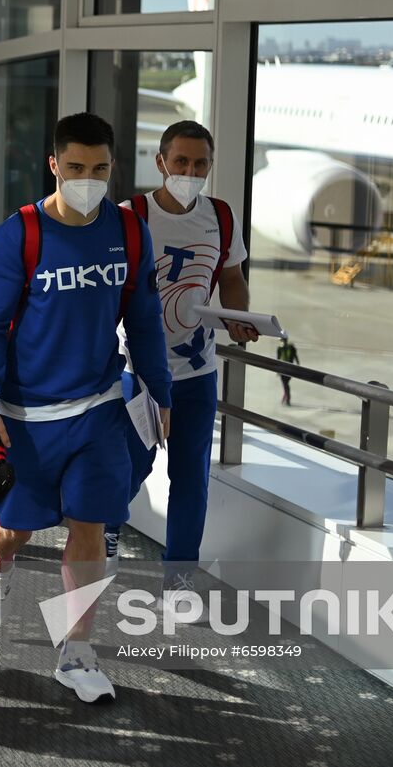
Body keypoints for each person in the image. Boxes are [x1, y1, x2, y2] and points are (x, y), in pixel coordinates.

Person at [0, 113, 171, 703]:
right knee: (15, 532)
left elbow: (145, 322)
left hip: (100, 409)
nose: (89, 179)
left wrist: (161, 394)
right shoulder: (20, 234)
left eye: (100, 168)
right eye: (76, 168)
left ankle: (76, 653)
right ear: (54, 165)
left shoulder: (130, 232)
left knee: (91, 524)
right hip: (27, 418)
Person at [106, 120, 254, 606]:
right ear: (161, 162)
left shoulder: (221, 216)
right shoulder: (132, 215)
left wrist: (237, 317)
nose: (190, 171)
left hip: (197, 374)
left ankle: (180, 578)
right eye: (182, 162)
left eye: (201, 163)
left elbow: (230, 278)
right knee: (132, 465)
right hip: (139, 372)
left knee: (191, 477)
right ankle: (103, 532)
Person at [277, 335, 300, 405]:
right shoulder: (288, 347)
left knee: (285, 384)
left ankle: (287, 399)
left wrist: (277, 370)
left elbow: (277, 359)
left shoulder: (281, 348)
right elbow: (296, 359)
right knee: (286, 384)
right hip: (287, 369)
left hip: (286, 369)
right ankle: (286, 397)